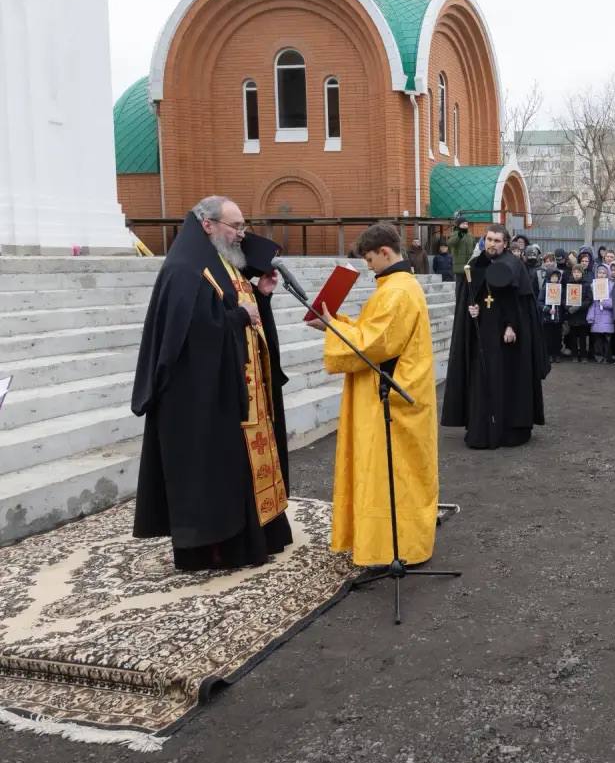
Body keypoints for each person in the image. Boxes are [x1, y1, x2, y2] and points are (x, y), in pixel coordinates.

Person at [132, 196, 292, 570]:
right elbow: (187, 337)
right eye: (235, 226)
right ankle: (222, 547)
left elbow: (241, 313)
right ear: (207, 224)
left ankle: (261, 535)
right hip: (205, 396)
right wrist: (238, 317)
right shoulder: (186, 269)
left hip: (241, 389)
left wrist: (261, 300)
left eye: (243, 226)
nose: (241, 235)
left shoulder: (222, 263)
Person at [306, 223, 438, 567]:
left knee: (393, 475)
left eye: (369, 259)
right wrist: (339, 324)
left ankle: (395, 546)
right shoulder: (396, 285)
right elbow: (373, 333)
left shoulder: (396, 290)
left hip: (393, 399)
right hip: (397, 390)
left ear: (385, 252)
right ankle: (389, 541)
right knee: (394, 474)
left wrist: (333, 326)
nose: (368, 266)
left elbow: (375, 344)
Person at [442, 224, 550, 448]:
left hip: (507, 340)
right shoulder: (475, 265)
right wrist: (471, 310)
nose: (492, 244)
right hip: (482, 334)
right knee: (482, 380)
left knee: (507, 379)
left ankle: (510, 428)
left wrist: (512, 326)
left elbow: (519, 303)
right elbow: (470, 296)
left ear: (505, 243)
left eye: (497, 241)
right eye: (489, 239)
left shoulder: (514, 265)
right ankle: (481, 427)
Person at [586, 263, 615, 363]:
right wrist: (590, 316)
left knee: (607, 338)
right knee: (598, 339)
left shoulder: (612, 285)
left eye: (604, 273)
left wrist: (605, 302)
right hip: (597, 317)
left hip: (608, 317)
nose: (601, 275)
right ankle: (598, 356)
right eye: (599, 273)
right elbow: (592, 303)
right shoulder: (592, 285)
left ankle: (607, 356)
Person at [564, 264, 592, 363]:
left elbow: (589, 300)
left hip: (582, 315)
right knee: (573, 337)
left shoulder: (586, 284)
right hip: (572, 315)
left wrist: (579, 306)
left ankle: (584, 355)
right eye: (575, 272)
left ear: (582, 273)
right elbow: (564, 299)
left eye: (578, 272)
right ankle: (574, 355)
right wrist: (568, 308)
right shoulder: (569, 284)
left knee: (583, 337)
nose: (576, 274)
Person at [445, 214, 476, 292]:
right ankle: (459, 303)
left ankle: (468, 303)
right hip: (459, 267)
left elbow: (475, 247)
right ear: (458, 225)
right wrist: (459, 235)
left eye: (466, 224)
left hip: (469, 266)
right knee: (460, 287)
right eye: (463, 224)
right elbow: (450, 243)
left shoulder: (470, 235)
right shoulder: (455, 234)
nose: (465, 225)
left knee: (469, 287)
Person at [542, 268, 566, 364]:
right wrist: (547, 309)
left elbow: (564, 301)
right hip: (547, 319)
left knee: (557, 337)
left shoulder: (561, 289)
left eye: (556, 276)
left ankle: (557, 354)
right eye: (553, 276)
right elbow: (539, 302)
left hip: (558, 318)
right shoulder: (545, 289)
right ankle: (549, 355)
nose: (554, 278)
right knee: (548, 337)